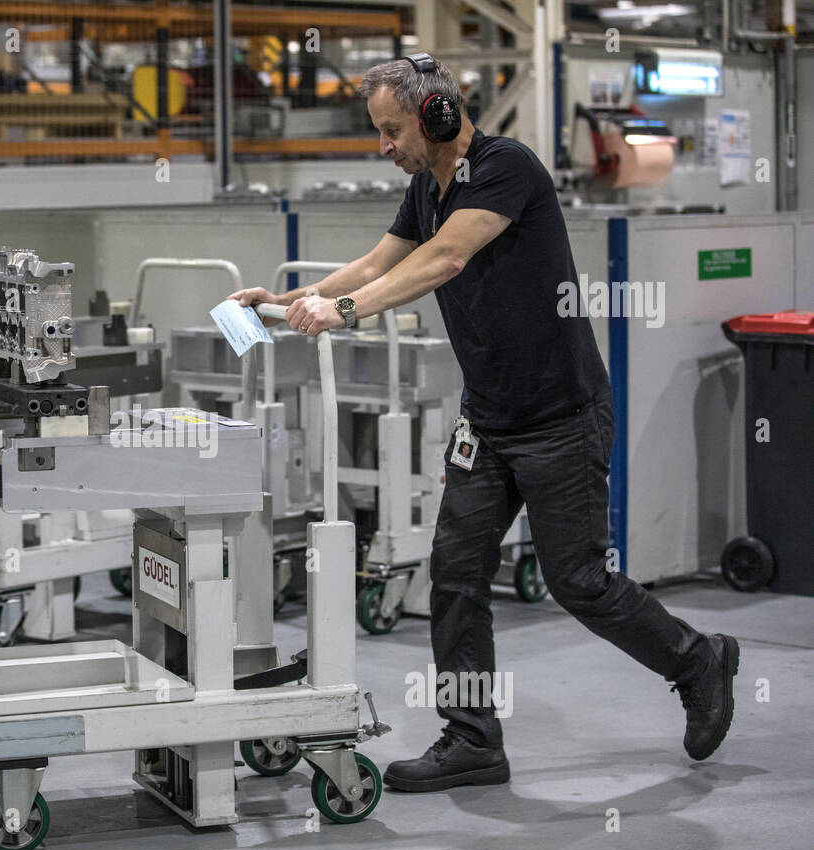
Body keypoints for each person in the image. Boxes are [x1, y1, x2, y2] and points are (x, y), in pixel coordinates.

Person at [229, 54, 739, 792]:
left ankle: (698, 659)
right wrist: (288, 301)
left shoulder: (507, 168)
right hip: (491, 421)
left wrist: (342, 314)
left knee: (581, 581)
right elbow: (382, 261)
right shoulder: (424, 186)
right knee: (457, 572)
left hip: (561, 415)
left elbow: (444, 259)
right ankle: (472, 740)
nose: (385, 147)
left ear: (435, 114)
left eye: (391, 129)